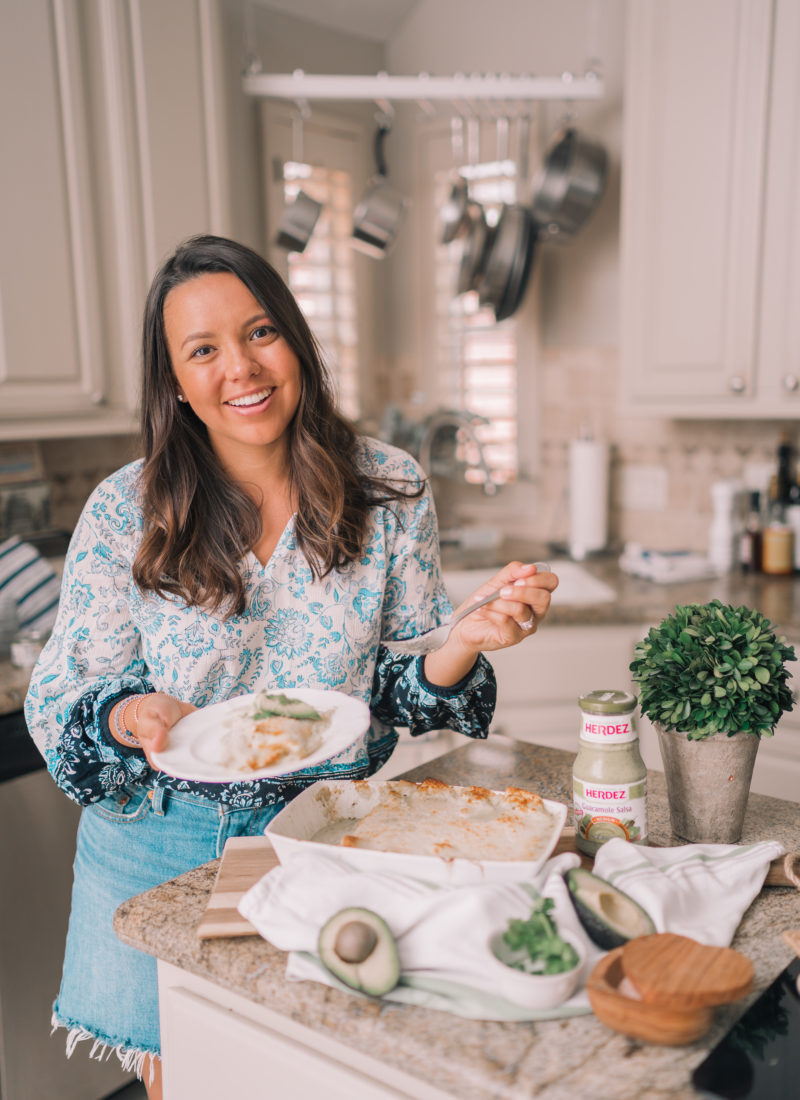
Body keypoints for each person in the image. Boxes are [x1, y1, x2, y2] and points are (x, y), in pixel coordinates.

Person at [24, 234, 556, 1099]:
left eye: (260, 331)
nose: (240, 366)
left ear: (297, 339)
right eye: (203, 350)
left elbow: (400, 681)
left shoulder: (388, 487)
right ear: (177, 381)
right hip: (158, 842)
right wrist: (131, 715)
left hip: (324, 834)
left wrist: (464, 642)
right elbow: (60, 698)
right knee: (191, 1083)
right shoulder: (129, 506)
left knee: (322, 1076)